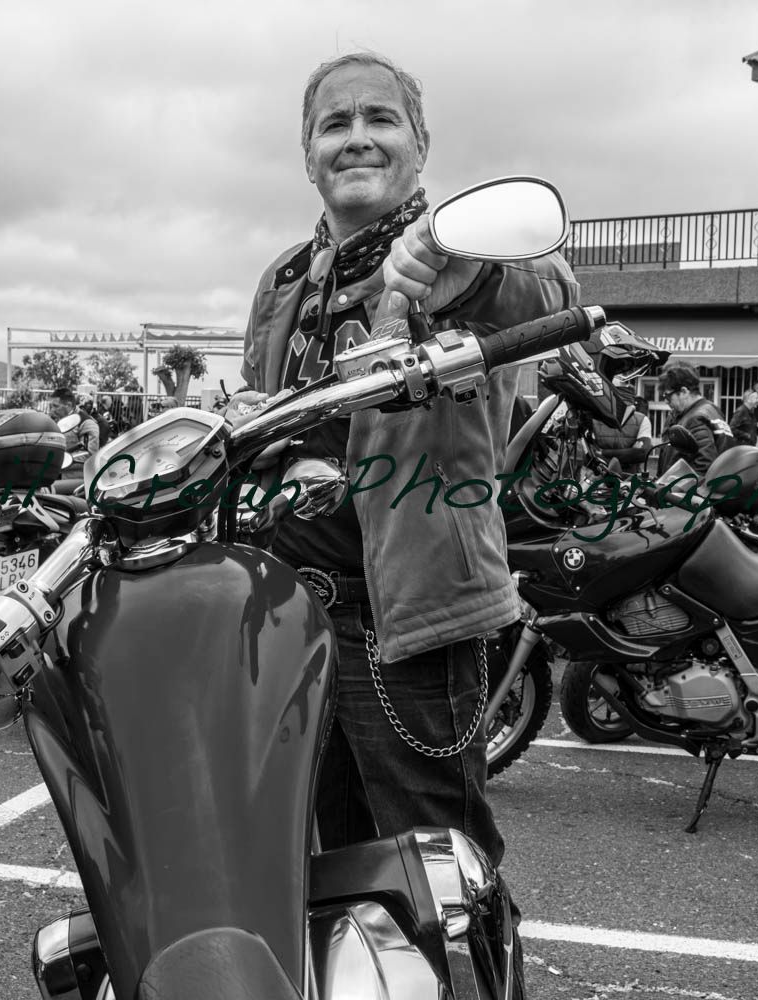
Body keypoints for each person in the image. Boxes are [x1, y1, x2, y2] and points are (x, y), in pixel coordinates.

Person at [226, 51, 577, 964]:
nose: (356, 139)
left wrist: (452, 266)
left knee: (443, 869)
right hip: (289, 614)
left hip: (410, 616)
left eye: (379, 120)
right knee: (335, 866)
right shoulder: (282, 280)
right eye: (333, 125)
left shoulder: (461, 255)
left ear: (420, 148)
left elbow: (548, 292)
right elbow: (265, 414)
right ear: (308, 155)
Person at [658, 361, 732, 475]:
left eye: (667, 395)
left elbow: (703, 467)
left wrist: (670, 487)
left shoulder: (695, 418)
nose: (665, 401)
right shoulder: (712, 410)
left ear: (684, 391)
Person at [592, 404, 653, 476]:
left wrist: (603, 453)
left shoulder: (641, 419)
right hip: (599, 478)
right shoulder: (594, 419)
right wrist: (630, 452)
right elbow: (590, 455)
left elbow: (642, 453)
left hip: (629, 479)